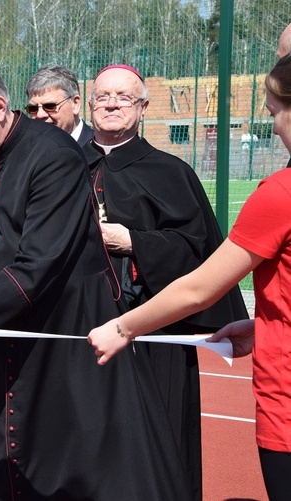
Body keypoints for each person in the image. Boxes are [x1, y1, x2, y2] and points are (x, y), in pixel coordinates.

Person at [0, 64, 195, 500]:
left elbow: (35, 269)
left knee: (79, 473)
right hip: (12, 339)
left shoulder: (54, 155)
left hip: (70, 345)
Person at [89, 53, 291, 501]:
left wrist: (134, 241)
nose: (112, 104)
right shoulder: (63, 167)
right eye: (103, 97)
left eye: (124, 96)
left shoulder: (171, 171)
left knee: (161, 450)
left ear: (143, 107)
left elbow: (197, 255)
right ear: (89, 106)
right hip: (81, 325)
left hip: (155, 328)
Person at [25, 65, 94, 145]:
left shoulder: (98, 151)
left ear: (75, 104)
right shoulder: (26, 150)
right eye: (33, 108)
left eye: (49, 106)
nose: (40, 115)